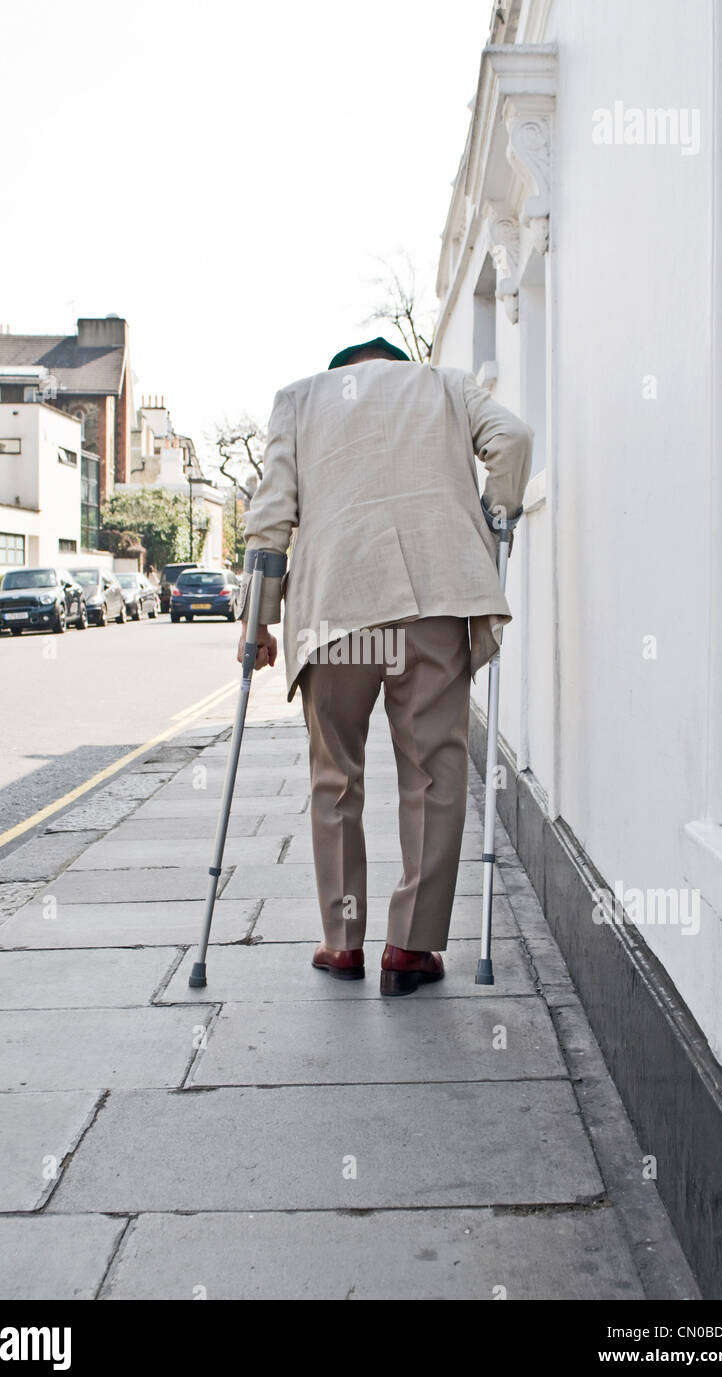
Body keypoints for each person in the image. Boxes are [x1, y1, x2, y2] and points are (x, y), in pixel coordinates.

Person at [236, 336, 533, 996]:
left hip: (334, 608)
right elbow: (511, 438)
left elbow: (270, 518)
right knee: (433, 773)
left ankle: (342, 944)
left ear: (341, 373)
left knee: (335, 776)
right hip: (433, 599)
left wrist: (256, 619)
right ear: (399, 364)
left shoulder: (301, 399)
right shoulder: (445, 384)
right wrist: (494, 516)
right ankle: (410, 947)